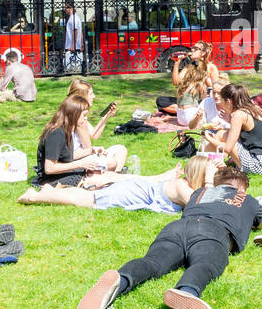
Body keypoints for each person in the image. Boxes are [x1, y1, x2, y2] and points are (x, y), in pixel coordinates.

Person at [74, 166, 262, 309]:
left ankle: (121, 280)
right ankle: (187, 292)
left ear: (217, 184)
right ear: (242, 188)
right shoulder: (247, 199)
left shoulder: (200, 193)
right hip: (213, 231)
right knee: (206, 263)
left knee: (152, 262)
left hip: (177, 227)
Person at [20, 155, 212, 212]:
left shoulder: (185, 185)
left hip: (136, 189)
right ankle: (35, 196)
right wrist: (211, 179)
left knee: (89, 198)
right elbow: (203, 207)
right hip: (132, 193)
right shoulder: (182, 187)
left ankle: (46, 192)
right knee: (88, 200)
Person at [27, 95, 126, 191]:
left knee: (109, 176)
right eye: (84, 115)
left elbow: (67, 156)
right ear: (73, 115)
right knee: (107, 180)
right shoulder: (56, 133)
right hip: (53, 180)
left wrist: (91, 150)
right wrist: (80, 164)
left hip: (67, 173)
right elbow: (49, 168)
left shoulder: (67, 129)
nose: (86, 119)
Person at [203, 83, 262, 175]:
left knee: (221, 135)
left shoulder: (238, 115)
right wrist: (229, 121)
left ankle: (205, 166)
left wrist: (208, 138)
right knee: (224, 134)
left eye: (222, 102)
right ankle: (208, 164)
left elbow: (227, 148)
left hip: (260, 165)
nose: (221, 106)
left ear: (228, 101)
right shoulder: (254, 108)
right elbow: (251, 133)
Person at [68, 79, 122, 152]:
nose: (94, 96)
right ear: (82, 97)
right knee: (119, 152)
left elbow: (94, 135)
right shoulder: (79, 117)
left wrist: (107, 115)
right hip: (77, 158)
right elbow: (87, 148)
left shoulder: (73, 112)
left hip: (77, 155)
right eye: (91, 94)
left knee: (120, 149)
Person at [62, 4, 85, 73]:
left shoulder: (73, 18)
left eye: (65, 8)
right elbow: (80, 31)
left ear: (70, 8)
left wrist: (72, 45)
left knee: (67, 65)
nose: (64, 10)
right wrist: (81, 43)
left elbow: (75, 30)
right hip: (76, 45)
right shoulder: (76, 17)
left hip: (72, 46)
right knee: (76, 64)